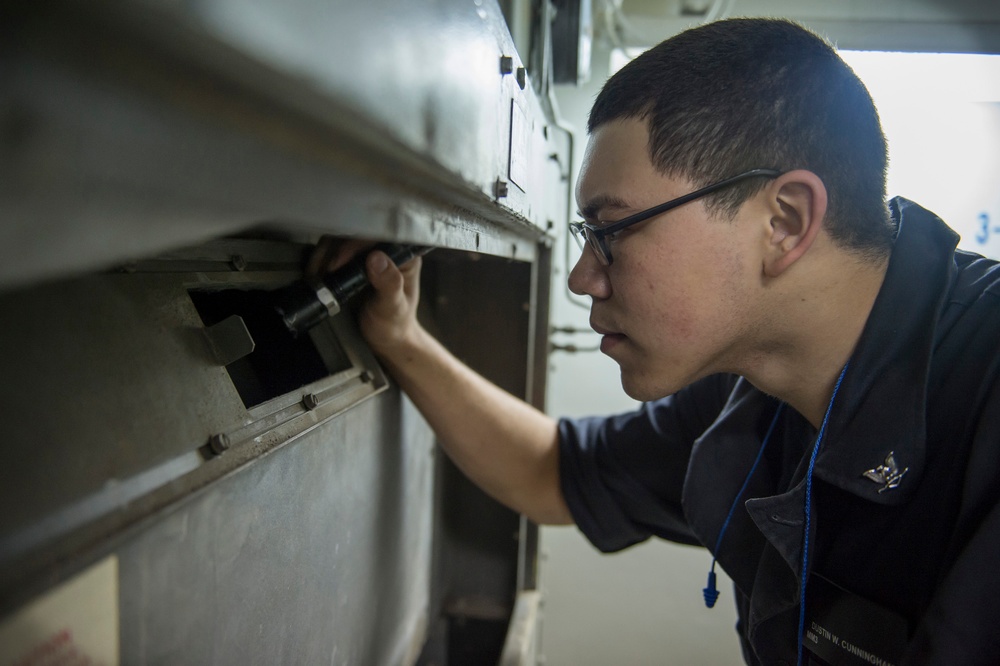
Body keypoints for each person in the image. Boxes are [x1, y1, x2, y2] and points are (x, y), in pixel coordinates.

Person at [312, 18, 1000, 666]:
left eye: (610, 231)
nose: (584, 278)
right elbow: (554, 474)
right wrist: (400, 337)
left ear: (784, 222)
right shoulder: (752, 393)